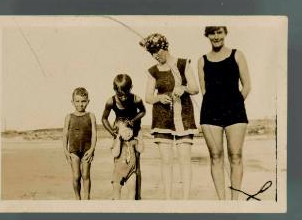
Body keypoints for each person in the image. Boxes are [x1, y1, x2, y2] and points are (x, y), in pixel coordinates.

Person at [140, 33, 199, 199]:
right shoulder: (153, 71)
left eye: (158, 52)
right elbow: (148, 97)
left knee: (184, 160)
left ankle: (185, 201)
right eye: (152, 54)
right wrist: (159, 98)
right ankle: (168, 200)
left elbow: (195, 88)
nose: (156, 56)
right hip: (162, 118)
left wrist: (183, 89)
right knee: (166, 161)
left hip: (184, 116)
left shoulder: (182, 64)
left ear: (165, 47)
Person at [198, 26, 251, 200]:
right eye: (212, 33)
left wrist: (234, 104)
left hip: (234, 111)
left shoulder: (237, 55)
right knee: (215, 156)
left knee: (235, 155)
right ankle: (222, 202)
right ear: (207, 35)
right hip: (210, 112)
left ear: (225, 33)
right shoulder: (202, 60)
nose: (216, 36)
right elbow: (204, 91)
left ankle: (234, 201)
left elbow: (247, 86)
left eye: (219, 32)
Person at [101, 74, 146, 200]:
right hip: (120, 132)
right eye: (120, 95)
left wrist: (133, 120)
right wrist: (112, 133)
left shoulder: (136, 99)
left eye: (126, 94)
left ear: (131, 88)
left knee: (135, 164)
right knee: (118, 160)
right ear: (115, 90)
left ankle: (137, 197)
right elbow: (104, 118)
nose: (124, 97)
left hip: (135, 131)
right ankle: (117, 192)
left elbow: (143, 111)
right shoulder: (111, 101)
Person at [63, 87, 97, 200]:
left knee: (86, 175)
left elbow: (94, 134)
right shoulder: (69, 117)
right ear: (72, 102)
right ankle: (77, 198)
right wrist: (65, 150)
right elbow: (65, 135)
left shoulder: (91, 116)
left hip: (87, 149)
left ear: (88, 101)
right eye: (77, 101)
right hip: (73, 150)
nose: (80, 104)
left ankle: (87, 198)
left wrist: (92, 149)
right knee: (76, 176)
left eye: (83, 101)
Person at [111, 121, 144, 199]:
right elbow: (115, 153)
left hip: (131, 171)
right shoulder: (116, 142)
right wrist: (119, 140)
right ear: (117, 132)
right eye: (124, 131)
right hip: (118, 172)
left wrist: (140, 139)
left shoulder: (134, 142)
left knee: (132, 192)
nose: (128, 133)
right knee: (116, 193)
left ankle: (130, 207)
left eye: (129, 130)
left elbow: (140, 150)